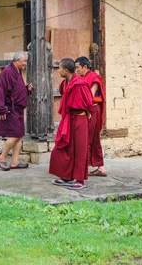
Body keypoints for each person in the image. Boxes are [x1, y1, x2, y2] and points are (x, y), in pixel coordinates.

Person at [49, 58, 93, 190]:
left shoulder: (80, 84)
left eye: (60, 68)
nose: (59, 71)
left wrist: (88, 115)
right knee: (64, 147)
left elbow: (89, 102)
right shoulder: (65, 83)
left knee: (80, 150)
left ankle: (80, 180)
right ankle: (66, 176)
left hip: (79, 119)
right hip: (68, 119)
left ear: (66, 70)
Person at [0, 51, 34, 171]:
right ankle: (1, 157)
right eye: (24, 61)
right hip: (10, 109)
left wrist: (27, 89)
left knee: (19, 135)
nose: (25, 64)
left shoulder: (17, 71)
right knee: (15, 134)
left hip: (18, 108)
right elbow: (0, 91)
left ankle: (15, 162)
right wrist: (1, 109)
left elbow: (17, 89)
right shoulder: (7, 72)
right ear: (17, 60)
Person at [75, 56, 107, 177]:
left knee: (87, 138)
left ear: (85, 67)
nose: (76, 70)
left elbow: (90, 96)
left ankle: (82, 167)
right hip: (86, 110)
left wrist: (86, 111)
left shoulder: (94, 77)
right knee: (93, 138)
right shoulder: (81, 77)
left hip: (92, 110)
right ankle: (101, 167)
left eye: (78, 67)